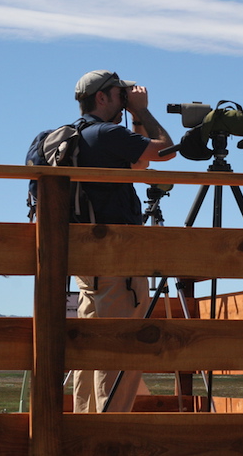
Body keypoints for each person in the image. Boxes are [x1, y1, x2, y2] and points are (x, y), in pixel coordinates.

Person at [70, 69, 176, 413]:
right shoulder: (106, 134)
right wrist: (142, 111)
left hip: (85, 262)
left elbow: (138, 165)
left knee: (89, 351)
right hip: (117, 260)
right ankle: (108, 437)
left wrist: (133, 118)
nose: (125, 99)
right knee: (121, 353)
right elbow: (166, 151)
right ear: (102, 98)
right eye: (119, 94)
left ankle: (85, 434)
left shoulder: (80, 137)